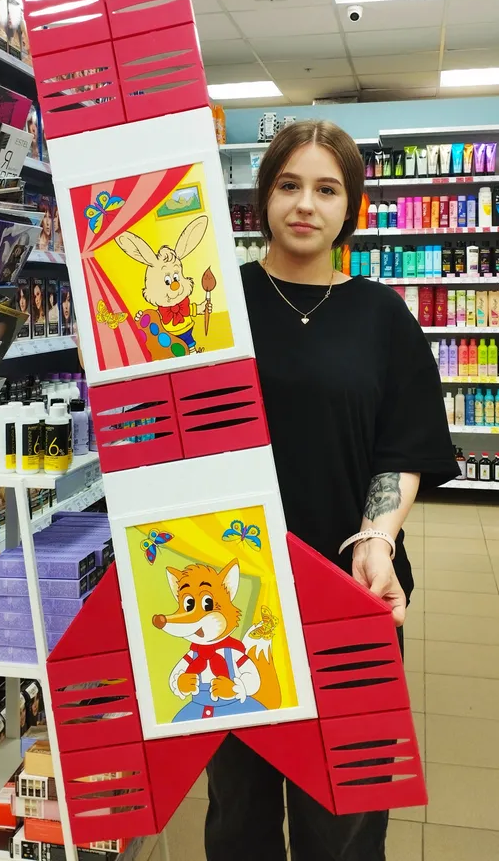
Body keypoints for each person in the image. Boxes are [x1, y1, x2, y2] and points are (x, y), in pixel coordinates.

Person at [205, 120, 457, 861]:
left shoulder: (382, 316)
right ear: (264, 196)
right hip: (230, 598)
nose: (305, 204)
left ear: (351, 206)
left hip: (350, 589)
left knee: (345, 812)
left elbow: (402, 447)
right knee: (239, 808)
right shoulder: (214, 303)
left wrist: (378, 536)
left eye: (326, 189)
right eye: (289, 185)